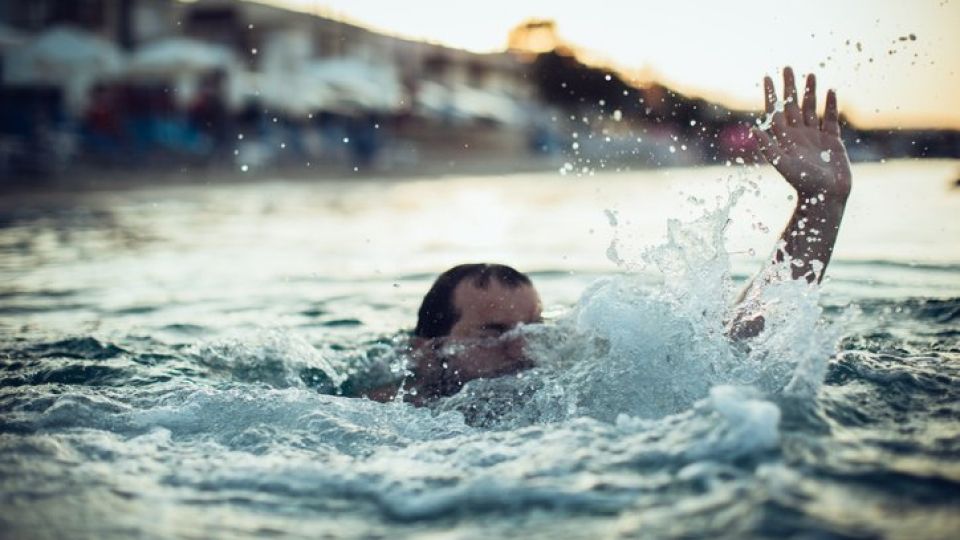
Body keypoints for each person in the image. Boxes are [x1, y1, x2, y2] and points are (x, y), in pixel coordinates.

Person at [365, 67, 852, 404]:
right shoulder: (386, 410)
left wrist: (819, 205)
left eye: (533, 327)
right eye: (494, 333)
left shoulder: (575, 375)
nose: (523, 350)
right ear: (425, 349)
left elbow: (731, 343)